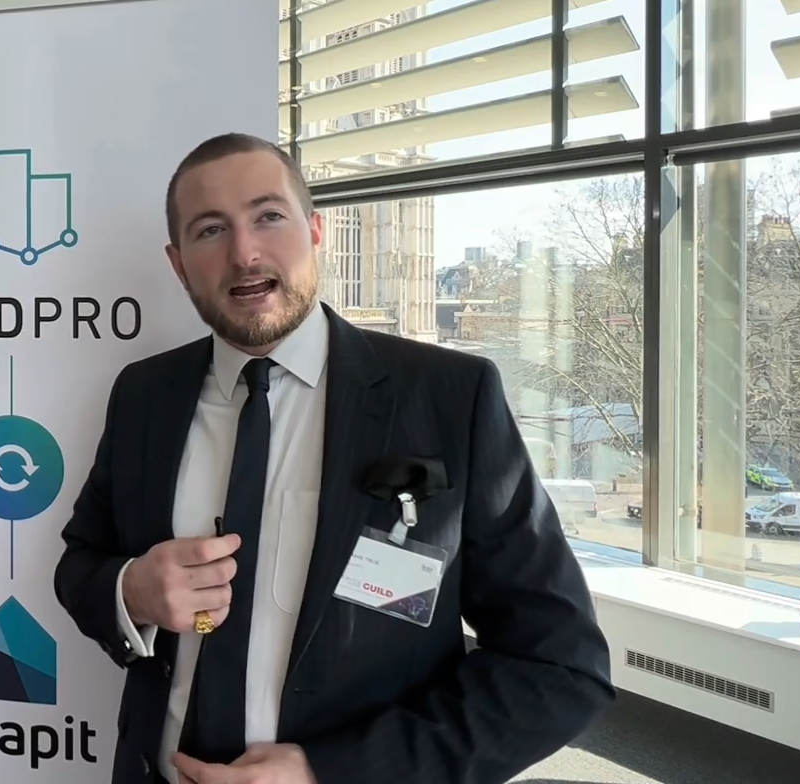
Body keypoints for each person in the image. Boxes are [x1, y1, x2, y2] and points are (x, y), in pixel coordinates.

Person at [53, 133, 613, 784]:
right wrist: (132, 593)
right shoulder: (144, 395)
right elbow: (81, 562)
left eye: (268, 216)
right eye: (210, 230)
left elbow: (559, 667)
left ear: (316, 230)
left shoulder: (450, 398)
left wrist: (330, 772)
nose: (244, 253)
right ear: (179, 265)